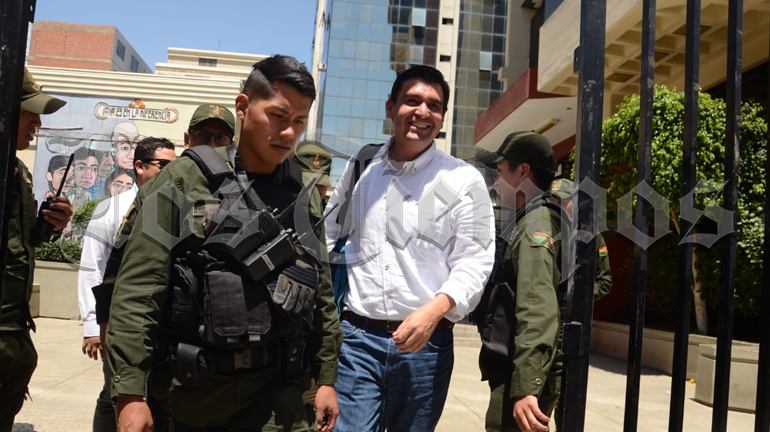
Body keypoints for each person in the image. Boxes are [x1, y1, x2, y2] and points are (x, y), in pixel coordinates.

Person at [105, 55, 341, 432]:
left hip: (276, 394)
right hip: (191, 394)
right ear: (243, 107)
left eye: (299, 121)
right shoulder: (183, 179)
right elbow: (139, 290)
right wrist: (130, 394)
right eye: (278, 116)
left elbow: (321, 292)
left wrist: (327, 377)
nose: (288, 132)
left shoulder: (304, 193)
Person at [324, 65, 495, 432]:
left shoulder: (463, 179)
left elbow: (475, 260)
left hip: (427, 347)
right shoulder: (361, 166)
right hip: (356, 341)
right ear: (391, 107)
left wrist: (435, 310)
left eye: (434, 105)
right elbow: (330, 232)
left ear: (443, 117)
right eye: (412, 101)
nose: (422, 112)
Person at [78, 137, 176, 432]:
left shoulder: (176, 208)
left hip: (161, 321)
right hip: (119, 321)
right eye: (164, 165)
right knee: (116, 392)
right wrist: (93, 325)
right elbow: (92, 268)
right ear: (140, 166)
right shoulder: (111, 209)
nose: (173, 172)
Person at [474, 131, 564, 432]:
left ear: (523, 172)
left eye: (501, 172)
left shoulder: (534, 226)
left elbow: (536, 307)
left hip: (522, 375)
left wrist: (526, 387)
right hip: (523, 367)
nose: (496, 182)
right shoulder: (536, 218)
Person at [0, 68, 73, 432]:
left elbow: (23, 242)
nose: (38, 123)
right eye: (30, 112)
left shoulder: (18, 172)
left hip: (14, 331)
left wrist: (51, 225)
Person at [548, 178, 612, 300]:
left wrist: (579, 295)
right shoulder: (547, 229)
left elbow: (604, 282)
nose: (558, 206)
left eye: (563, 201)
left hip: (572, 307)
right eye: (555, 202)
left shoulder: (591, 235)